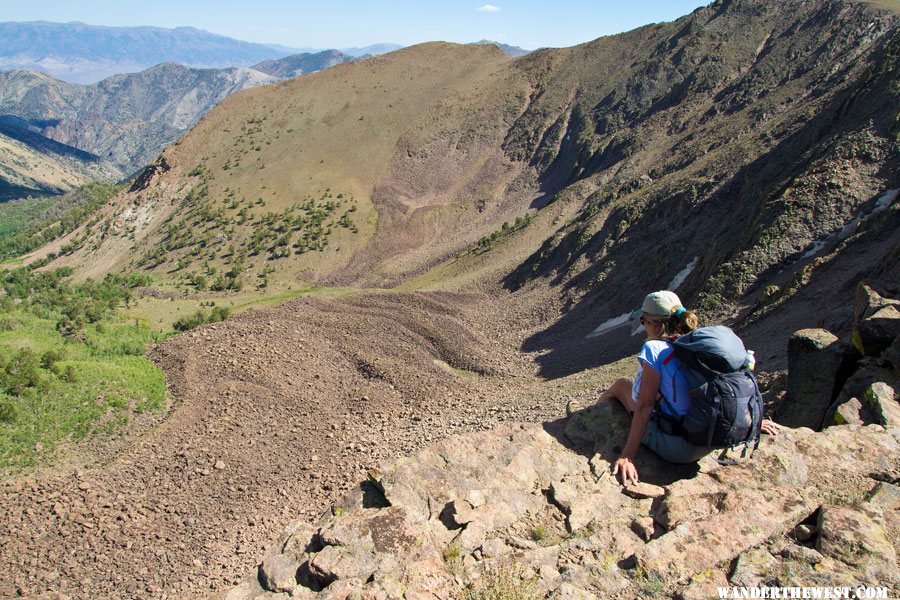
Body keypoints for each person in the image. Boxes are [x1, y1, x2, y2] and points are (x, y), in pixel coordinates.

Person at [598, 290, 781, 486]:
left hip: (681, 448)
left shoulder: (654, 350)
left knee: (619, 386)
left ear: (654, 324)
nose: (643, 325)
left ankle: (593, 416)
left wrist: (628, 455)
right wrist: (750, 421)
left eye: (643, 321)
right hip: (717, 437)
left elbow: (645, 406)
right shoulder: (700, 345)